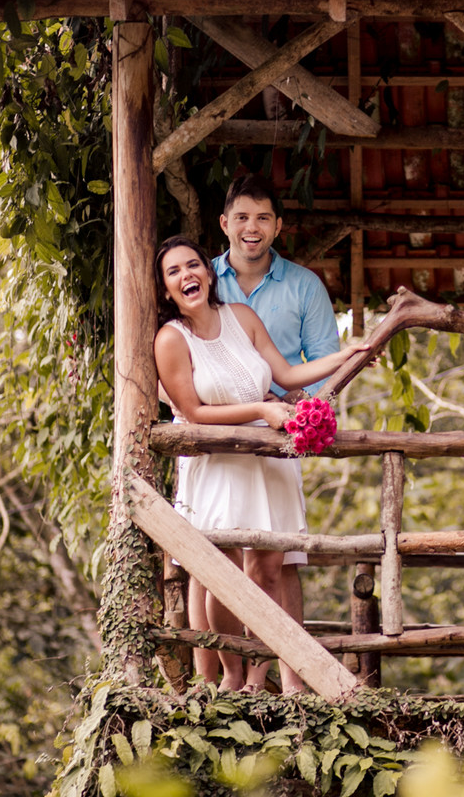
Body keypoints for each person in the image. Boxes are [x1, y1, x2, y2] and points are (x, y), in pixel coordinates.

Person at [153, 234, 365, 693]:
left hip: (267, 462)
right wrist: (262, 412)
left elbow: (286, 375)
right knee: (222, 575)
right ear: (167, 289)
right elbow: (192, 412)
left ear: (208, 273)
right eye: (174, 272)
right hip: (220, 466)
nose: (187, 275)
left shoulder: (242, 317)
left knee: (268, 572)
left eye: (192, 265)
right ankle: (231, 675)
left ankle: (259, 675)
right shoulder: (172, 339)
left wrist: (344, 355)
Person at [211, 174, 341, 693]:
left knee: (280, 554)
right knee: (213, 553)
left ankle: (292, 681)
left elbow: (326, 370)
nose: (252, 227)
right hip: (213, 433)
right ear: (225, 223)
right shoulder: (203, 277)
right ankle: (225, 677)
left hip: (280, 432)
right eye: (242, 217)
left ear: (278, 226)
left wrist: (296, 414)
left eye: (263, 217)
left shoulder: (304, 285)